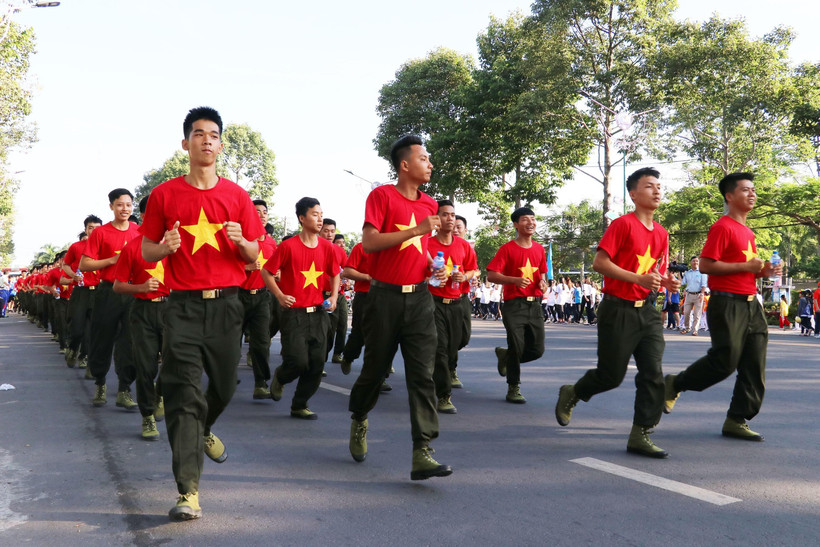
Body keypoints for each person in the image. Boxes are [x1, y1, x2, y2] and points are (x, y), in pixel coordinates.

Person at [140, 106, 264, 521]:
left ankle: (203, 429)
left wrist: (241, 241)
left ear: (221, 144)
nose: (206, 140)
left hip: (228, 304)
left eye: (213, 134)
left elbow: (255, 256)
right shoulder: (164, 195)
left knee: (226, 386)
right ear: (185, 143)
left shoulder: (237, 197)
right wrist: (166, 247)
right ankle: (187, 491)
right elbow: (146, 250)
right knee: (183, 394)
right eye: (198, 134)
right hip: (183, 307)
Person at [347, 134, 452, 481]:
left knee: (422, 374)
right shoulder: (381, 196)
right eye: (424, 158)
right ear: (405, 165)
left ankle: (422, 450)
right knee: (375, 370)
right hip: (383, 299)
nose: (430, 164)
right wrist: (416, 230)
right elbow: (371, 242)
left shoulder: (429, 204)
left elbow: (419, 250)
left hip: (420, 297)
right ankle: (360, 416)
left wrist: (433, 266)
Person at [555, 167, 680, 458]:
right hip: (617, 308)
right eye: (649, 186)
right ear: (634, 194)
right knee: (611, 375)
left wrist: (668, 282)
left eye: (659, 186)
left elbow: (656, 273)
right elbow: (600, 263)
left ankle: (641, 433)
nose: (657, 191)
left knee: (653, 373)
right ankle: (573, 392)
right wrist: (638, 279)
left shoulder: (661, 233)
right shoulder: (622, 225)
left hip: (647, 312)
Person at [664, 172, 780, 442]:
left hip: (751, 304)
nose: (752, 194)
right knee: (725, 361)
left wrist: (764, 271)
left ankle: (737, 419)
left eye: (753, 190)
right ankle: (675, 383)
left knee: (754, 365)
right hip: (727, 302)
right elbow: (706, 265)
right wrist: (746, 266)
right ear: (729, 196)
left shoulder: (748, 232)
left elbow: (746, 271)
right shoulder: (723, 227)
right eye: (745, 190)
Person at [261, 197, 339, 420]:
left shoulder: (328, 248)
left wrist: (333, 296)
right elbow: (267, 272)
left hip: (319, 314)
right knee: (298, 361)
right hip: (293, 314)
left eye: (321, 214)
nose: (320, 218)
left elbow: (335, 273)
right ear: (301, 218)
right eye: (315, 214)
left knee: (316, 364)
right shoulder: (288, 246)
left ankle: (299, 404)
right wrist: (279, 295)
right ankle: (281, 377)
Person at [112, 196, 169, 441]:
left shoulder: (180, 245)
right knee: (145, 366)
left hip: (173, 311)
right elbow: (118, 286)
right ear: (146, 217)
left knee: (174, 363)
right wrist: (141, 287)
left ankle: (161, 393)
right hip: (143, 312)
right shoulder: (133, 247)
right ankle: (147, 416)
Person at [80, 189, 141, 410]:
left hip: (133, 292)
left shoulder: (139, 232)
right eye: (119, 205)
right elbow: (84, 265)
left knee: (130, 342)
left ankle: (125, 389)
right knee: (102, 339)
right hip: (107, 292)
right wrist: (113, 260)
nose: (125, 209)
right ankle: (100, 383)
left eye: (128, 204)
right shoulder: (100, 233)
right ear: (111, 207)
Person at [487, 207, 548, 404]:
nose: (530, 222)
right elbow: (491, 275)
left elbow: (543, 274)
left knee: (537, 350)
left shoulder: (539, 249)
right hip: (514, 306)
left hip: (535, 306)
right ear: (516, 224)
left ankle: (507, 357)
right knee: (517, 344)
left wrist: (543, 283)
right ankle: (514, 387)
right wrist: (513, 280)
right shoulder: (507, 249)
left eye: (533, 218)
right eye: (524, 219)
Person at [427, 199, 477, 414]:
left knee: (455, 344)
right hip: (433, 302)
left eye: (453, 215)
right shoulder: (426, 244)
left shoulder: (463, 245)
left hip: (457, 303)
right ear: (436, 219)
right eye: (445, 214)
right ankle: (444, 396)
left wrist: (463, 275)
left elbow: (474, 270)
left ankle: (441, 372)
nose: (450, 219)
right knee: (440, 348)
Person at [241, 199, 277, 399]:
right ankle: (225, 377)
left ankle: (261, 383)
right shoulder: (241, 240)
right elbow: (224, 267)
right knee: (229, 341)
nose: (262, 215)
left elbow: (277, 269)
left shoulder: (272, 243)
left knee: (262, 342)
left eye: (265, 212)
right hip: (237, 295)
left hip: (262, 297)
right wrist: (245, 268)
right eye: (257, 212)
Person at [63, 216, 102, 371]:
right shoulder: (76, 247)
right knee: (77, 328)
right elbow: (65, 265)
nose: (94, 231)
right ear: (86, 229)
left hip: (99, 292)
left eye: (98, 228)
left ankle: (84, 357)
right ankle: (73, 348)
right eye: (91, 228)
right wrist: (73, 275)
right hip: (81, 292)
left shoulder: (106, 247)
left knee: (92, 329)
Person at [452, 214, 478, 389]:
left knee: (463, 337)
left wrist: (471, 277)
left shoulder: (466, 248)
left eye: (458, 226)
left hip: (462, 298)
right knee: (447, 339)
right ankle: (450, 370)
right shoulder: (434, 244)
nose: (454, 229)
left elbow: (474, 270)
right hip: (438, 299)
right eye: (452, 225)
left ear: (465, 230)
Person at [319, 218, 348, 367]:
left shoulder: (339, 251)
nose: (329, 234)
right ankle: (320, 362)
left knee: (339, 327)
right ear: (319, 230)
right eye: (326, 230)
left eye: (332, 231)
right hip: (320, 295)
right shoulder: (314, 247)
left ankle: (337, 353)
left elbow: (346, 268)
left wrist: (346, 278)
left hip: (337, 295)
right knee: (325, 331)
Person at [680, 256, 708, 336]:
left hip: (698, 295)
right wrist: (679, 274)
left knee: (697, 313)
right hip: (689, 295)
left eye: (697, 261)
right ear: (690, 262)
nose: (695, 262)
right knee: (686, 312)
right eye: (693, 261)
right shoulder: (687, 273)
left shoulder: (702, 272)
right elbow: (682, 282)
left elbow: (704, 284)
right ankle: (687, 327)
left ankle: (695, 330)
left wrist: (702, 294)